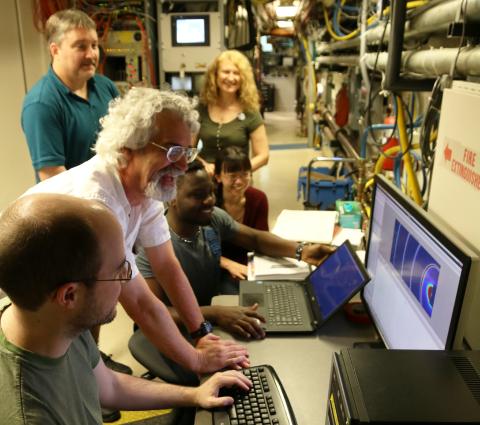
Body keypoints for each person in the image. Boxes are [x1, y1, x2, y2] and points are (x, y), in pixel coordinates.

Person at [24, 88, 249, 378]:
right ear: (126, 149)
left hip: (67, 304)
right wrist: (197, 361)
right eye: (172, 151)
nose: (183, 166)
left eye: (188, 151)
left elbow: (167, 265)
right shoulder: (98, 204)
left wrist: (201, 332)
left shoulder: (146, 189)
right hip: (36, 314)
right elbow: (140, 303)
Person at [0, 193, 251, 425]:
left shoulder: (52, 321)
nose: (126, 280)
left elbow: (108, 386)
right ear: (70, 295)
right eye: (119, 270)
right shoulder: (31, 413)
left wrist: (196, 394)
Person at [136, 160, 335, 340]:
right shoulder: (153, 245)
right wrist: (215, 313)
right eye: (198, 195)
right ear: (172, 198)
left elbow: (255, 239)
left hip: (208, 310)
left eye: (211, 192)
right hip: (174, 331)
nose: (209, 201)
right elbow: (156, 313)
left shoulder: (211, 219)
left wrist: (303, 251)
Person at [22, 9, 119, 182]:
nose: (91, 54)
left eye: (94, 45)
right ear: (55, 50)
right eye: (81, 46)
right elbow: (53, 178)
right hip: (72, 206)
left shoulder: (105, 86)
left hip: (112, 198)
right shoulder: (42, 104)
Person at [197, 50, 269, 175]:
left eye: (236, 73)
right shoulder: (201, 108)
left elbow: (263, 156)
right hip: (205, 180)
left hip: (237, 183)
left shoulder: (250, 111)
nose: (231, 78)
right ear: (215, 75)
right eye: (226, 72)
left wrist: (237, 172)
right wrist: (203, 165)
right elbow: (186, 150)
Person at [214, 146, 269, 278]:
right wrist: (228, 264)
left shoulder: (258, 198)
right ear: (218, 177)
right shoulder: (209, 201)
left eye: (244, 174)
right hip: (215, 266)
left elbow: (262, 240)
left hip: (248, 267)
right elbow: (200, 249)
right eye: (232, 176)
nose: (239, 182)